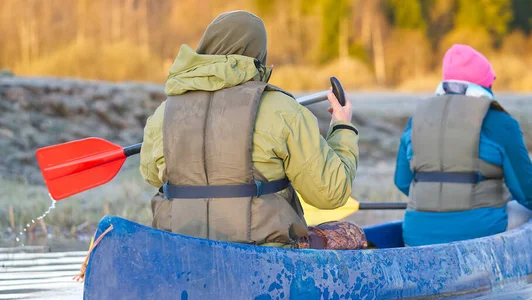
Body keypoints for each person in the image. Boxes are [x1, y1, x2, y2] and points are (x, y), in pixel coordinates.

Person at [139, 11, 366, 250]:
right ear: (258, 54)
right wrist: (341, 127)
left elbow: (151, 174)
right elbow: (331, 192)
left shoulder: (164, 113)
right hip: (265, 258)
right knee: (352, 234)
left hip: (181, 252)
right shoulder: (282, 110)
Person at [394, 44, 532, 247]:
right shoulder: (499, 122)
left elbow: (402, 181)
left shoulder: (416, 118)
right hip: (479, 233)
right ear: (485, 85)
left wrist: (439, 200)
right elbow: (528, 192)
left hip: (416, 235)